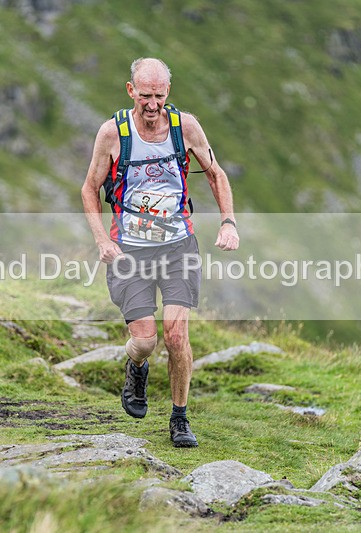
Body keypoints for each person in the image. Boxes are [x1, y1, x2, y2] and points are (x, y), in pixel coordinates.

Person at [81, 57, 239, 447]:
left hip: (177, 244)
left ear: (168, 93)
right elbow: (89, 189)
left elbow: (216, 174)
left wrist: (229, 222)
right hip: (129, 250)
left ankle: (180, 418)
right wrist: (103, 239)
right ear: (130, 90)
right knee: (146, 341)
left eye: (160, 96)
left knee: (176, 333)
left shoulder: (185, 127)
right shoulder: (112, 133)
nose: (152, 105)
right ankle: (136, 365)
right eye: (145, 96)